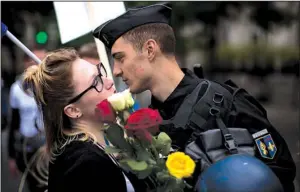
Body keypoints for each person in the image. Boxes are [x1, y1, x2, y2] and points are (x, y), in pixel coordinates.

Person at [93, 2, 296, 191]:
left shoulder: (227, 103)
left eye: (120, 58)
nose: (116, 70)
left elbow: (280, 173)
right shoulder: (144, 124)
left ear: (150, 49)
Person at [22, 48, 147, 192]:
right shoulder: (86, 164)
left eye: (101, 72)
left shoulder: (89, 151)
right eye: (96, 81)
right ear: (73, 110)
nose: (109, 82)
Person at [8, 49, 47, 192]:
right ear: (26, 63)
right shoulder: (16, 89)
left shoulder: (54, 86)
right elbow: (14, 123)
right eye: (34, 60)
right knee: (33, 186)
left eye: (43, 60)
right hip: (28, 147)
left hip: (50, 145)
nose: (38, 64)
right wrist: (11, 156)